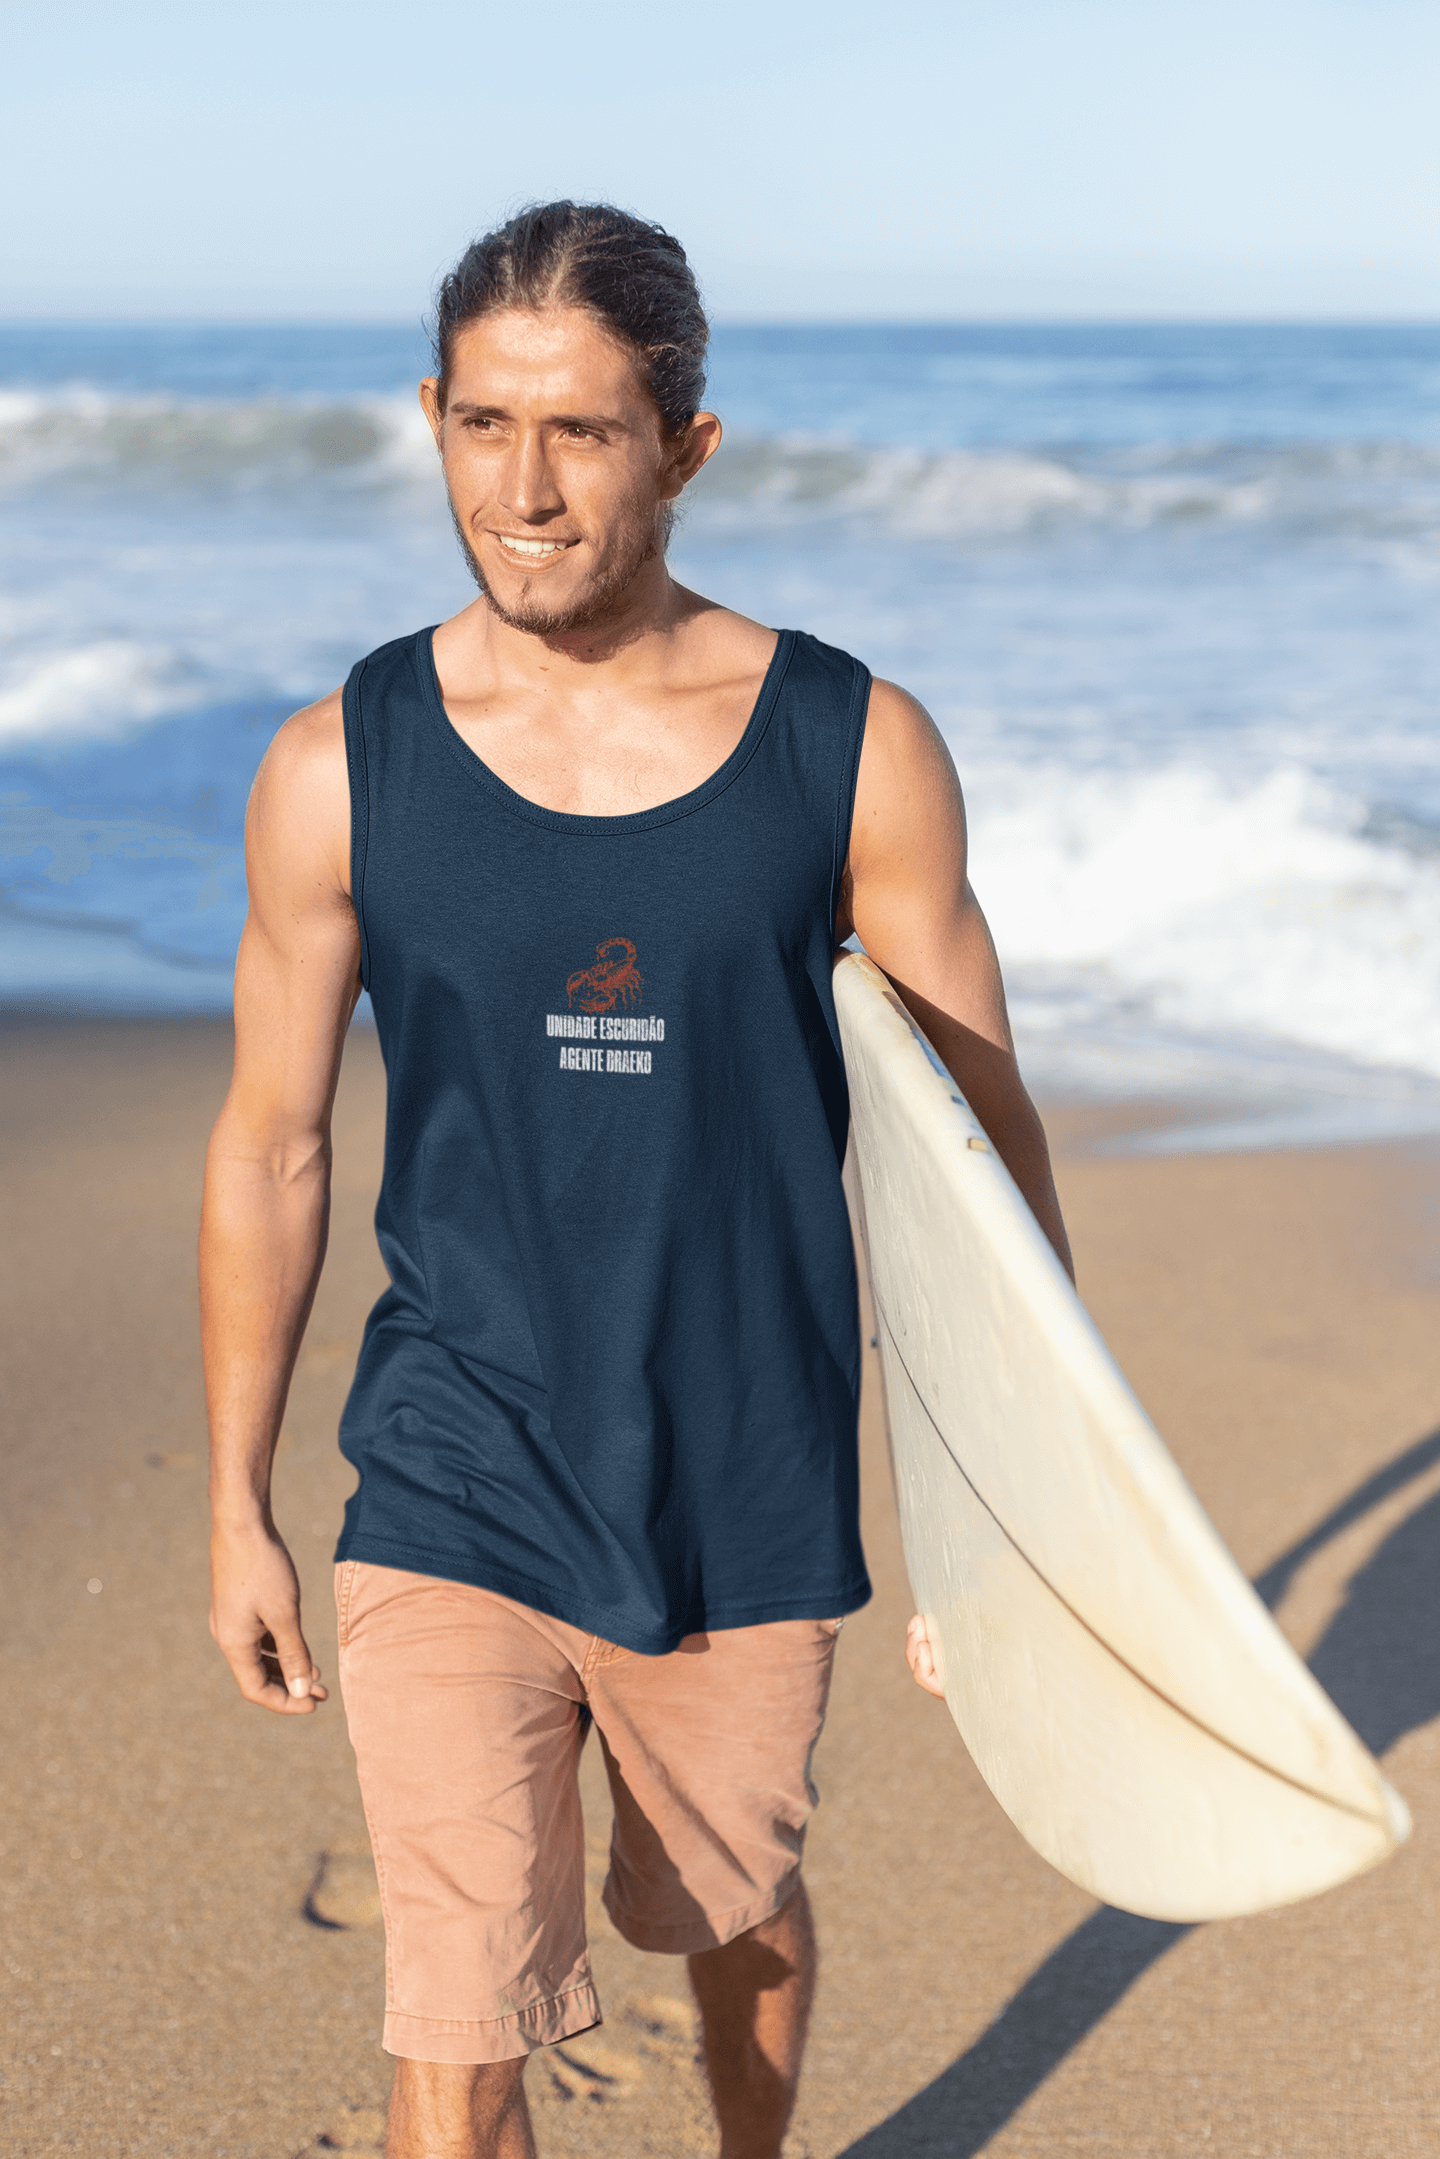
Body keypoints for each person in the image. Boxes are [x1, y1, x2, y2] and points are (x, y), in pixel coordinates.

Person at [200, 201, 1073, 2159]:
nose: (522, 487)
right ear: (430, 413)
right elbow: (271, 1140)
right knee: (457, 2027)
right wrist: (241, 1499)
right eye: (485, 424)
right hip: (450, 1460)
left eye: (583, 432)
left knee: (733, 1924)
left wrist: (1014, 1521)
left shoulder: (853, 751)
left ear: (688, 445)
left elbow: (981, 1153)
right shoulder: (341, 764)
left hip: (743, 1484)